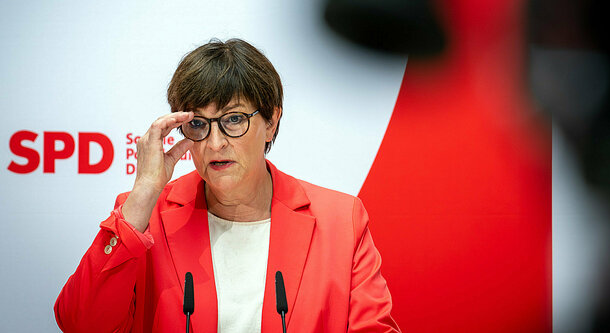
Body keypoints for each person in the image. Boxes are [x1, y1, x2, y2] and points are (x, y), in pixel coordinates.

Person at [54, 38, 400, 333]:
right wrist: (144, 191)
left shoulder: (339, 219)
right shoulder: (145, 217)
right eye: (199, 124)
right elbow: (79, 322)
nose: (215, 143)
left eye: (233, 119)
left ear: (271, 121)